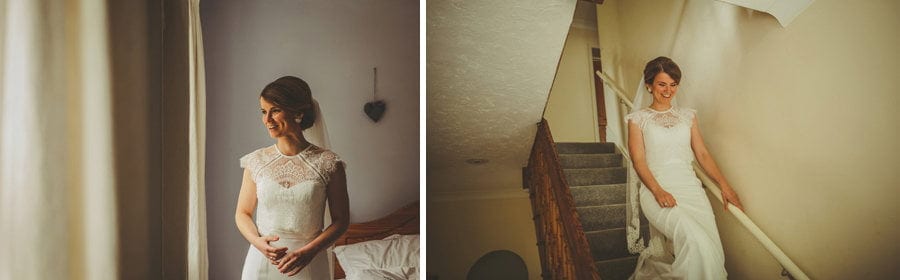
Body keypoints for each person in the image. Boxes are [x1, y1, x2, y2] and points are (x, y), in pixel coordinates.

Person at [625, 57, 743, 279]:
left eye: (673, 84)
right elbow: (638, 161)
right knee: (695, 240)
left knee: (711, 248)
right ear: (649, 85)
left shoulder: (688, 116)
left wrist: (725, 186)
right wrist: (658, 191)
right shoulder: (637, 120)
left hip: (691, 190)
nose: (668, 90)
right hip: (656, 189)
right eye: (662, 84)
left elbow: (702, 154)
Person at [235, 76, 350, 279]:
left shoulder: (329, 163)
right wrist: (257, 242)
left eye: (275, 111)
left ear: (298, 113)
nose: (267, 120)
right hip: (262, 260)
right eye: (263, 112)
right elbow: (242, 213)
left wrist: (310, 251)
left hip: (309, 261)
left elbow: (341, 220)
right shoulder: (256, 161)